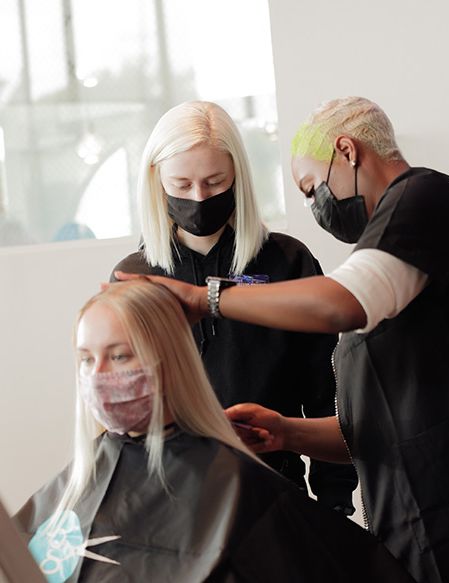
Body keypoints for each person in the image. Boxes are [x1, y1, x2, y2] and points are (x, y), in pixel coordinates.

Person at [117, 97, 449, 583]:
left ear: (347, 151)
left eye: (313, 186)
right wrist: (286, 431)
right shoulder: (394, 264)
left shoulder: (423, 199)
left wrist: (204, 299)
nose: (316, 205)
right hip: (430, 516)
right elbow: (371, 426)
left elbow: (341, 303)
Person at [14, 280, 413, 583]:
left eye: (120, 355)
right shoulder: (72, 484)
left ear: (168, 359)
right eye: (86, 359)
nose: (99, 375)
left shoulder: (236, 486)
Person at [111, 100, 357, 514]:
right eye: (182, 184)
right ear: (156, 180)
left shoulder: (287, 262)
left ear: (237, 177)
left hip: (275, 491)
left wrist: (335, 502)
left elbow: (324, 391)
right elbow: (123, 406)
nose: (199, 196)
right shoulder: (133, 277)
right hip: (172, 500)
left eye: (214, 181)